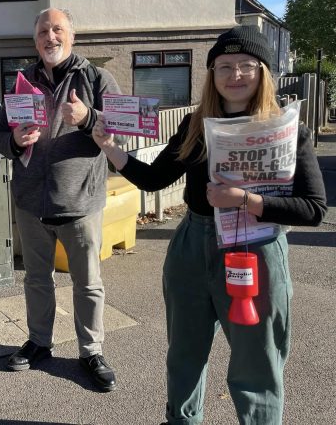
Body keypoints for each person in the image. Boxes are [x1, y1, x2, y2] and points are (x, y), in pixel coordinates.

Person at [92, 25, 327, 423]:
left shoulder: (288, 131)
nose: (235, 75)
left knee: (257, 358)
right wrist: (110, 148)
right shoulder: (194, 125)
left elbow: (314, 209)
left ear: (263, 72)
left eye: (247, 65)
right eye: (224, 66)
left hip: (258, 248)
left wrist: (246, 201)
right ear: (212, 74)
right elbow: (154, 179)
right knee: (184, 352)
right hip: (193, 244)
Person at [0, 8, 125, 392]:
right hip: (31, 200)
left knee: (87, 282)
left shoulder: (97, 78)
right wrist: (14, 142)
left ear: (72, 36)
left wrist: (87, 118)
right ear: (35, 41)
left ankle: (91, 350)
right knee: (36, 279)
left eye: (58, 30)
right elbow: (0, 134)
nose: (50, 37)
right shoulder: (21, 82)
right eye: (43, 32)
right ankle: (39, 342)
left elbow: (122, 133)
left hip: (80, 201)